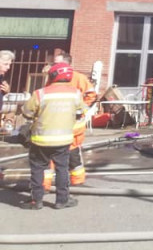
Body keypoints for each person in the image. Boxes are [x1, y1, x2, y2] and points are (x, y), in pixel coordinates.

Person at [20, 62, 85, 209]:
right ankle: (62, 200)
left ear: (53, 76)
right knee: (62, 169)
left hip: (40, 140)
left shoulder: (40, 93)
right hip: (63, 140)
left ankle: (36, 201)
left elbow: (27, 113)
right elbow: (81, 112)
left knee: (38, 169)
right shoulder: (75, 93)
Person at [43, 50, 97, 187]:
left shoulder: (78, 78)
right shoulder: (51, 78)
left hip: (72, 125)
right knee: (49, 155)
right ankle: (45, 183)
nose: (52, 66)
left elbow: (91, 95)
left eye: (56, 63)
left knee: (72, 154)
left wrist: (79, 111)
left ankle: (77, 181)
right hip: (55, 124)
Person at [0, 50, 15, 115]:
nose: (8, 67)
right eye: (5, 64)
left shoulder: (1, 79)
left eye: (9, 64)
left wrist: (6, 92)